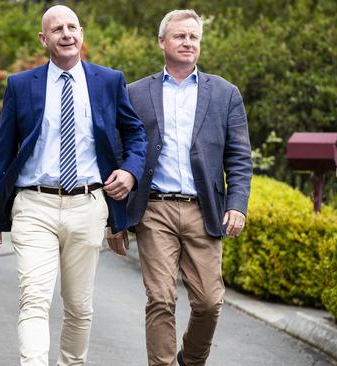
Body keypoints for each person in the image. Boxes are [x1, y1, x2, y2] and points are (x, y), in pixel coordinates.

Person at [0, 5, 146, 365]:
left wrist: (131, 171)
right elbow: (4, 151)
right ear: (44, 39)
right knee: (35, 299)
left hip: (87, 205)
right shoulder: (21, 85)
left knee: (79, 305)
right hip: (34, 205)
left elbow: (135, 134)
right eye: (57, 29)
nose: (66, 34)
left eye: (72, 27)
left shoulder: (108, 81)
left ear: (82, 34)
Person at [107, 9, 252, 366]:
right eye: (180, 36)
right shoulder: (136, 93)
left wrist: (237, 204)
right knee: (160, 298)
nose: (188, 42)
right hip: (154, 208)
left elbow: (239, 157)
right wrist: (116, 220)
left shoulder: (225, 94)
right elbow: (119, 155)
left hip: (205, 210)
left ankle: (192, 360)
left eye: (194, 37)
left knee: (209, 302)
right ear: (162, 42)